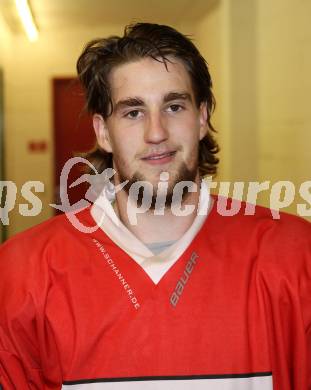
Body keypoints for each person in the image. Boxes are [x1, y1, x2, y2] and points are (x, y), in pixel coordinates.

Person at [0, 22, 310, 390]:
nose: (156, 132)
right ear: (103, 132)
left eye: (174, 106)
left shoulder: (296, 257)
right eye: (133, 112)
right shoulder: (20, 274)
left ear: (202, 118)